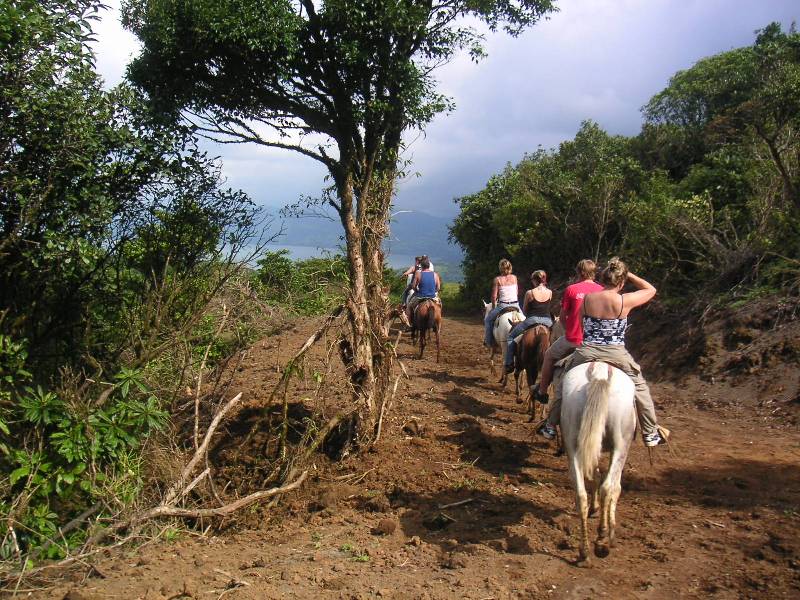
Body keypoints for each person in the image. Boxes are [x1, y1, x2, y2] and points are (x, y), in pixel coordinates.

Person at [534, 259, 602, 438]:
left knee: (549, 355)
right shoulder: (602, 290)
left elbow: (563, 317)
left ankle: (542, 391)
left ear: (579, 272)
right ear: (594, 272)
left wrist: (571, 327)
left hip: (573, 339)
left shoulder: (572, 290)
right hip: (597, 343)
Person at [504, 270, 553, 373]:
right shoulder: (550, 292)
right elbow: (548, 308)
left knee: (511, 337)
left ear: (534, 280)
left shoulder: (530, 293)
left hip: (532, 320)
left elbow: (525, 311)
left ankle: (509, 364)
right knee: (555, 339)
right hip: (547, 321)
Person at [483, 258, 520, 347]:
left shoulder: (497, 279)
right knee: (525, 320)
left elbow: (494, 296)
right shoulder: (514, 278)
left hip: (503, 305)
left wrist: (493, 307)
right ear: (510, 267)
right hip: (515, 305)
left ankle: (489, 342)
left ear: (500, 268)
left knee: (488, 320)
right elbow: (517, 292)